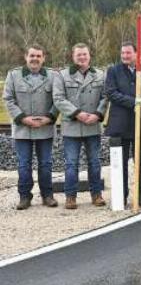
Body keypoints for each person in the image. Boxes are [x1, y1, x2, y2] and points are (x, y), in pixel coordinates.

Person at [3, 45, 59, 210]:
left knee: (46, 164)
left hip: (45, 128)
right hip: (22, 129)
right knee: (23, 164)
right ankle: (24, 197)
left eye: (38, 56)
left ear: (43, 58)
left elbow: (59, 99)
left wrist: (49, 118)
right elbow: (8, 99)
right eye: (32, 55)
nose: (35, 59)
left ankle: (47, 195)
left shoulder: (53, 76)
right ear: (26, 57)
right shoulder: (13, 75)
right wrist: (23, 118)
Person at [53, 43, 108, 209]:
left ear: (89, 55)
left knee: (94, 162)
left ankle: (96, 194)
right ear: (73, 56)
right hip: (72, 126)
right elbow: (58, 99)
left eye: (84, 54)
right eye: (79, 55)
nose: (82, 57)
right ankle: (70, 197)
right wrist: (78, 113)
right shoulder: (61, 76)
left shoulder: (100, 75)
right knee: (71, 163)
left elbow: (105, 97)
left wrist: (98, 114)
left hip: (93, 125)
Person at [105, 42, 141, 208]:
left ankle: (140, 194)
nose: (125, 56)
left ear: (136, 53)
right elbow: (111, 93)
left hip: (140, 122)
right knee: (122, 161)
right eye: (123, 53)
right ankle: (122, 195)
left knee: (140, 161)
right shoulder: (113, 71)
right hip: (120, 123)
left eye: (128, 53)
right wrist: (134, 102)